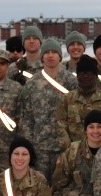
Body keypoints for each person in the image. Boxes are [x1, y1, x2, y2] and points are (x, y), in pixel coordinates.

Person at [17, 39, 77, 183]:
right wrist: (28, 146)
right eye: (47, 52)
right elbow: (26, 118)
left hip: (64, 148)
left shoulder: (70, 81)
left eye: (54, 52)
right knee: (39, 186)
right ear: (42, 56)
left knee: (62, 188)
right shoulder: (32, 84)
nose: (50, 56)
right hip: (39, 148)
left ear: (60, 56)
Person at [57, 55, 101, 151]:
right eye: (82, 73)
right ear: (77, 75)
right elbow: (60, 126)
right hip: (74, 152)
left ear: (96, 75)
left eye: (89, 73)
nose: (85, 76)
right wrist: (71, 149)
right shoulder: (67, 99)